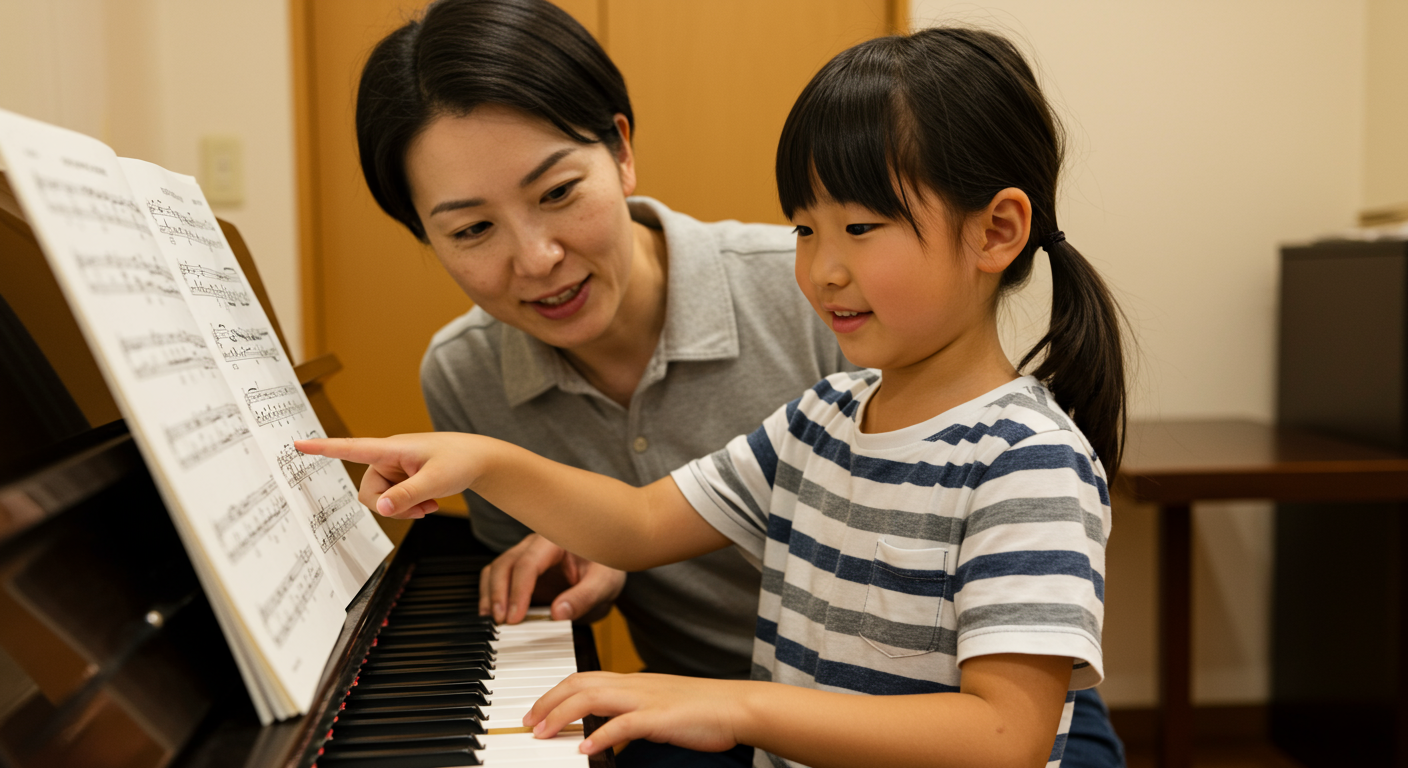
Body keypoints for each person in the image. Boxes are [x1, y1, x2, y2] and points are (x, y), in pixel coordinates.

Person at [306, 20, 1127, 768]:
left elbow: (1003, 738)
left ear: (997, 231)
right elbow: (636, 523)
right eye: (806, 229)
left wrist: (739, 706)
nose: (821, 269)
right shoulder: (823, 418)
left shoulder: (1026, 460)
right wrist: (481, 459)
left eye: (861, 228)